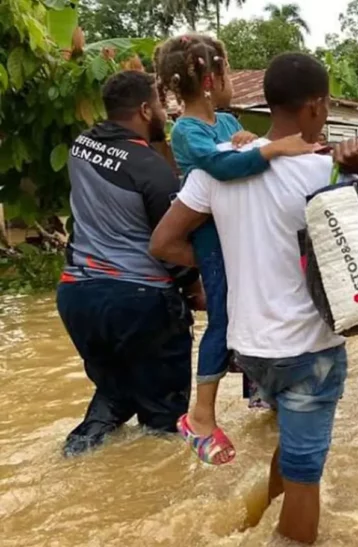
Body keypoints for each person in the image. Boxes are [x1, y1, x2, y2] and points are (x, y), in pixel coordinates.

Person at [150, 53, 345, 545]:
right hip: (308, 346)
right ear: (317, 107)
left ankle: (256, 521)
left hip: (249, 347)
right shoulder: (320, 171)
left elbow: (164, 244)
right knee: (307, 476)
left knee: (293, 445)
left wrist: (229, 261)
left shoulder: (213, 168)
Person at [155, 33, 316, 465]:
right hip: (209, 234)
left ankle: (265, 397)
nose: (231, 80)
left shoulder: (224, 123)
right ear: (211, 78)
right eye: (227, 70)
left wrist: (250, 138)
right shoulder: (186, 130)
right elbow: (224, 168)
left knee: (244, 310)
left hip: (233, 233)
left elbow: (238, 148)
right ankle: (200, 416)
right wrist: (277, 146)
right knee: (222, 320)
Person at [57, 70, 201, 457]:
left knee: (114, 396)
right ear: (142, 109)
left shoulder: (80, 146)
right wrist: (198, 290)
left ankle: (76, 459)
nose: (163, 113)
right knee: (164, 426)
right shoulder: (151, 168)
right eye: (157, 105)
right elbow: (168, 246)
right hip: (139, 303)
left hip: (77, 297)